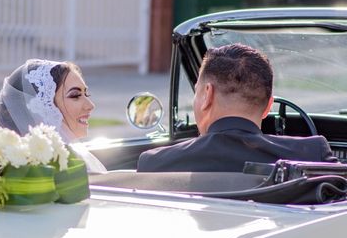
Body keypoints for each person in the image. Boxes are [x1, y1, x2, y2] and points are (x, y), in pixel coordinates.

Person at [137, 43, 336, 172]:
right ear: (268, 107)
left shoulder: (155, 164)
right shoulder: (312, 155)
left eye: (196, 91)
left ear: (207, 94)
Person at [0, 58, 106, 173]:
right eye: (75, 95)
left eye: (86, 94)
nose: (90, 105)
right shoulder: (61, 170)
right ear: (41, 108)